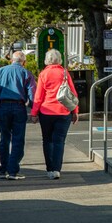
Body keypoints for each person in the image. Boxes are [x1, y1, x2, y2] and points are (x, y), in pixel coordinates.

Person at [31, 49, 78, 180]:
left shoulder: (43, 74)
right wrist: (75, 111)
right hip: (64, 111)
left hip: (46, 111)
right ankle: (57, 169)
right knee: (59, 142)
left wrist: (34, 113)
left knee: (47, 140)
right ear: (59, 59)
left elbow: (38, 96)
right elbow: (72, 93)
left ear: (47, 60)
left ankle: (49, 169)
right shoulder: (64, 73)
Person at [0, 50, 36, 180]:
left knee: (4, 138)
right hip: (19, 107)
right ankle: (13, 170)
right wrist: (34, 110)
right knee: (18, 139)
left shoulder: (1, 71)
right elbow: (32, 94)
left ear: (11, 60)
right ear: (24, 62)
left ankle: (3, 169)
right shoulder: (26, 73)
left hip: (3, 106)